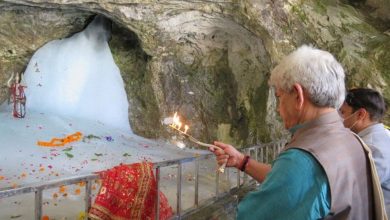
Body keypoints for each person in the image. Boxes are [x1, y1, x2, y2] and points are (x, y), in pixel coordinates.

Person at [210, 45, 381, 219]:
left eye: (279, 96)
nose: (278, 109)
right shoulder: (350, 140)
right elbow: (292, 185)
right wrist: (241, 161)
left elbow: (293, 181)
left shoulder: (303, 160)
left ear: (298, 96)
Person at [339, 88, 390, 217]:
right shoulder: (380, 138)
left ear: (361, 114)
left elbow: (350, 192)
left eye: (343, 112)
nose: (339, 118)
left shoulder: (372, 148)